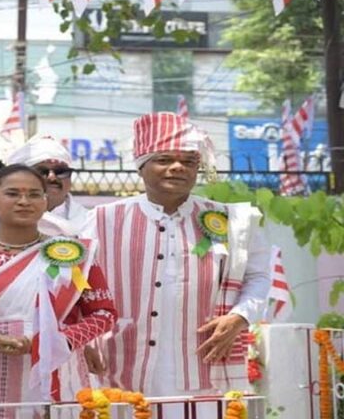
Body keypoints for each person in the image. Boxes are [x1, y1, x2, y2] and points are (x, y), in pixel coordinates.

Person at [84, 112, 271, 399]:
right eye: (164, 160)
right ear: (141, 166)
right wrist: (84, 340)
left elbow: (258, 277)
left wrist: (239, 317)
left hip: (203, 363)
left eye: (188, 162)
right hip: (121, 364)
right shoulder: (100, 220)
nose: (177, 168)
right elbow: (72, 286)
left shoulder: (233, 220)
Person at [0, 164, 116, 417]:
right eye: (12, 194)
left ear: (44, 201)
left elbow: (104, 314)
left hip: (61, 375)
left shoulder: (72, 253)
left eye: (34, 194)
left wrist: (59, 340)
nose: (24, 201)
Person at [7, 135, 91, 237]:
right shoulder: (1, 220)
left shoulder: (90, 222)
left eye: (60, 171)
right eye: (42, 171)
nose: (52, 177)